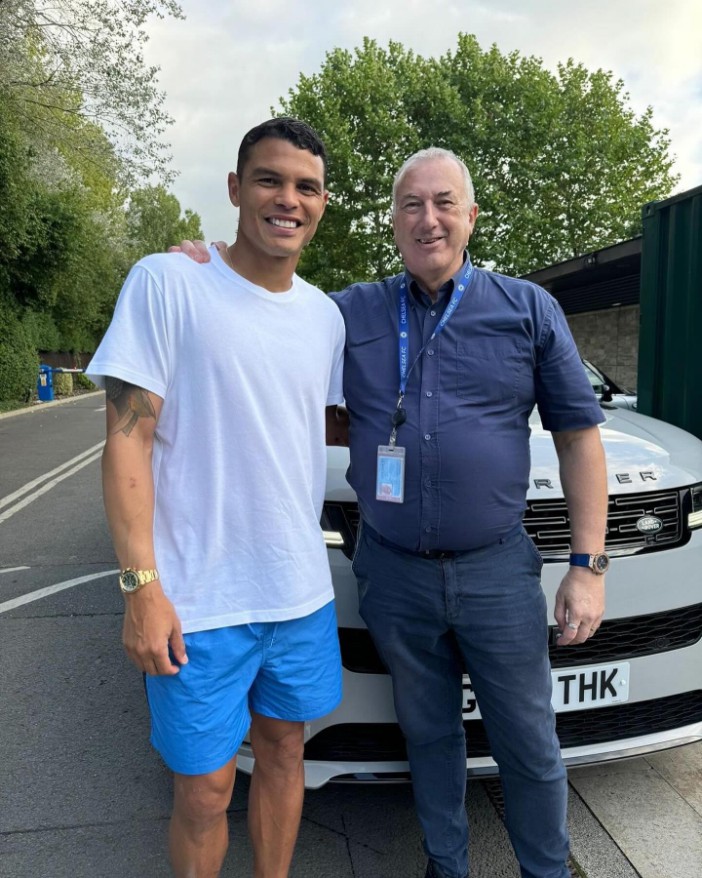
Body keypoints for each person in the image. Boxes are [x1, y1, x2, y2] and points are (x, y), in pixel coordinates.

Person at [177, 146, 608, 878]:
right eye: (412, 205)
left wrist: (587, 566)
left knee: (529, 740)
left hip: (496, 570)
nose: (428, 218)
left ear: (471, 217)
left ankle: (547, 870)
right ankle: (448, 865)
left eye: (444, 203)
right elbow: (265, 314)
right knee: (428, 735)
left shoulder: (527, 308)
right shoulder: (347, 311)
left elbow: (578, 437)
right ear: (393, 221)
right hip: (393, 570)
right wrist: (205, 268)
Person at [87, 118, 347, 878]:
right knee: (203, 791)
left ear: (323, 203)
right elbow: (127, 440)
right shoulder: (167, 281)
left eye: (306, 187)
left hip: (297, 594)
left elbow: (308, 427)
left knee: (285, 755)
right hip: (197, 601)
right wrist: (141, 588)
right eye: (269, 180)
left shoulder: (325, 317)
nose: (287, 200)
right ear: (236, 189)